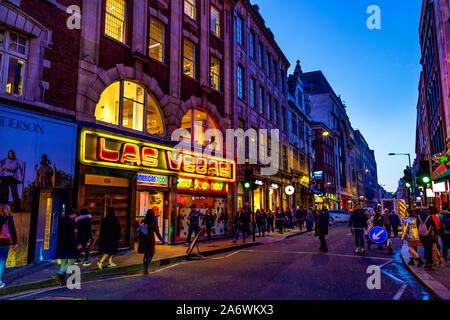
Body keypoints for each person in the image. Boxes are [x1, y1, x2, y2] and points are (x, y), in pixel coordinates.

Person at [55, 208, 78, 286]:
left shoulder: (62, 220)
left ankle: (62, 281)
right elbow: (72, 235)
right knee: (72, 259)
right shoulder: (71, 222)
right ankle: (60, 273)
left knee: (64, 262)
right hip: (69, 244)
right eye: (75, 214)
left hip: (62, 244)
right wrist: (76, 244)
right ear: (73, 214)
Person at [138, 209, 164, 275]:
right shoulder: (153, 222)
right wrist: (161, 239)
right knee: (151, 253)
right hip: (150, 239)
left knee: (146, 253)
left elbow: (140, 229)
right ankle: (146, 265)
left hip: (144, 238)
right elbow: (157, 232)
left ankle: (144, 265)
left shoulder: (144, 221)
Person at [0, 204, 17, 288]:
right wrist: (15, 243)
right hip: (4, 243)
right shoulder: (9, 219)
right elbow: (13, 231)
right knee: (2, 262)